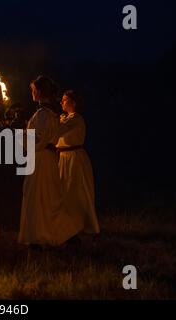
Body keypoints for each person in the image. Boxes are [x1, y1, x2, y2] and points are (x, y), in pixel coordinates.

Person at [19, 76, 82, 247]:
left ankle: (45, 236)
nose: (32, 93)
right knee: (48, 197)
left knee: (40, 197)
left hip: (41, 159)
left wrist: (20, 134)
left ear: (39, 92)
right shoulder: (52, 114)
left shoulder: (42, 114)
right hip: (48, 158)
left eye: (33, 90)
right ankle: (55, 233)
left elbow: (37, 141)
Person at [57, 90, 100, 234]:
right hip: (64, 157)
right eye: (62, 100)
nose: (62, 102)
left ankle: (81, 225)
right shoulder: (65, 118)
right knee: (64, 191)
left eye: (65, 99)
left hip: (74, 158)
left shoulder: (75, 118)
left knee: (76, 191)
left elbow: (58, 131)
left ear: (73, 103)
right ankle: (67, 224)